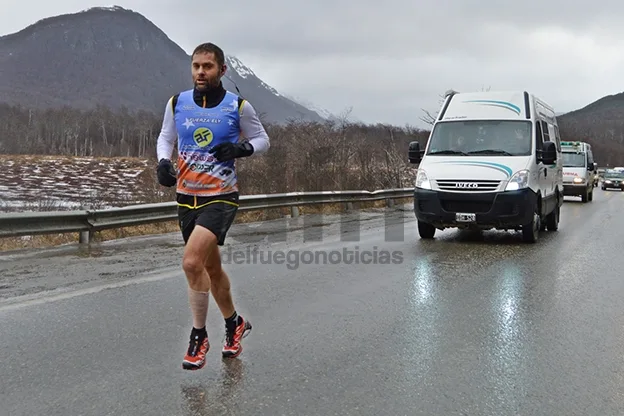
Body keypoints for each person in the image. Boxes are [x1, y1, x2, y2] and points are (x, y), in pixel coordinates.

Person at [155, 42, 270, 370]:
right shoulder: (178, 102)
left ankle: (199, 335)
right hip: (186, 196)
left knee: (191, 263)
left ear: (222, 70)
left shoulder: (238, 106)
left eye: (207, 66)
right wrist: (164, 162)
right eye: (196, 66)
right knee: (211, 269)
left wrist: (241, 149)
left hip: (220, 196)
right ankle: (234, 324)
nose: (200, 72)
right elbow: (166, 137)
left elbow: (263, 139)